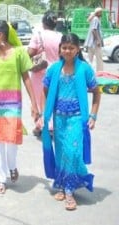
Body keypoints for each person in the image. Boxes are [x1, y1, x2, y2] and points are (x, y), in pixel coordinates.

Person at [39, 33, 101, 210]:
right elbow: (45, 90)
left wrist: (93, 115)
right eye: (64, 47)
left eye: (71, 48)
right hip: (59, 119)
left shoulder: (84, 69)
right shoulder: (53, 69)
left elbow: (97, 93)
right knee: (61, 154)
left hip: (76, 120)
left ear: (77, 49)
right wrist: (45, 114)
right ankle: (63, 183)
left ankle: (69, 191)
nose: (67, 51)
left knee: (72, 152)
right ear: (60, 48)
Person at [0, 20, 39, 194]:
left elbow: (27, 79)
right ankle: (0, 178)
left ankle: (12, 166)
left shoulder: (19, 53)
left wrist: (34, 104)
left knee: (11, 139)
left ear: (1, 35)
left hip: (13, 104)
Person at [28, 10, 62, 137]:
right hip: (56, 72)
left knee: (38, 101)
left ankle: (44, 125)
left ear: (43, 23)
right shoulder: (60, 36)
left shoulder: (38, 35)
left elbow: (30, 53)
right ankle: (47, 125)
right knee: (52, 100)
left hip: (40, 73)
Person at [84, 7, 104, 71]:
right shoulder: (96, 19)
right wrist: (98, 40)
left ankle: (87, 71)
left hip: (91, 43)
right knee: (99, 58)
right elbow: (94, 30)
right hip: (95, 43)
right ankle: (100, 73)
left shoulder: (94, 19)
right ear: (98, 13)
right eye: (101, 12)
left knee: (90, 59)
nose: (101, 13)